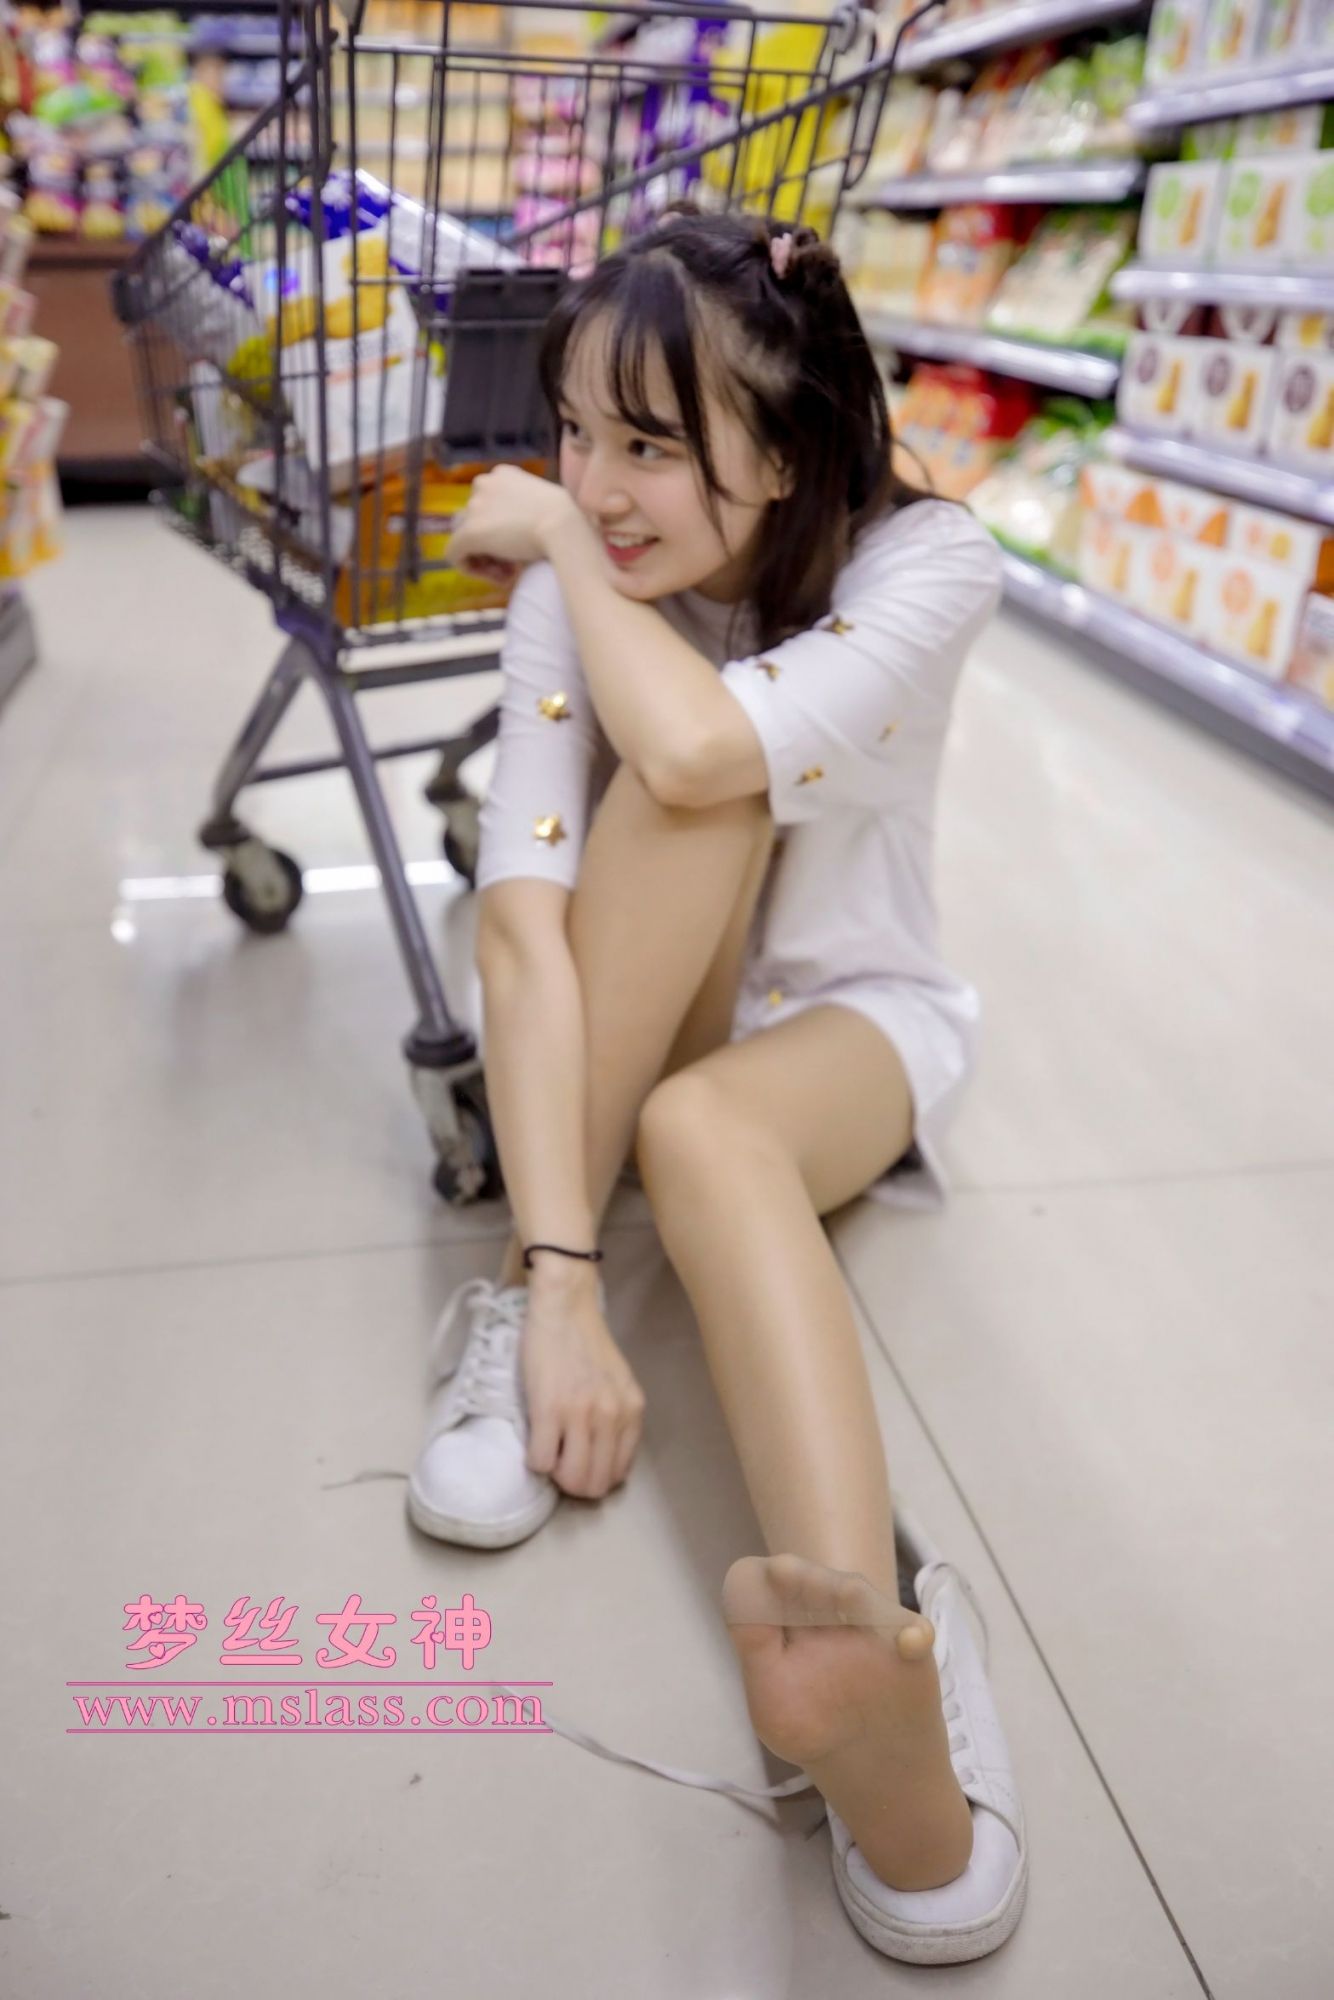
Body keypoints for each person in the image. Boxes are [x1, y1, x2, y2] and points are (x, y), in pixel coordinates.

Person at [407, 207, 1027, 1966]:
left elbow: (691, 742)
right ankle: (525, 1295)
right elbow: (523, 918)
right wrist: (562, 1284)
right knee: (673, 820)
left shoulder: (927, 562)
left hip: (852, 1028)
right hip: (643, 1001)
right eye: (573, 435)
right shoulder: (579, 582)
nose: (597, 488)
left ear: (791, 445)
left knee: (706, 888)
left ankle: (864, 1649)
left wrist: (551, 541)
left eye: (650, 444)